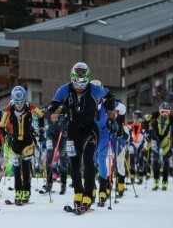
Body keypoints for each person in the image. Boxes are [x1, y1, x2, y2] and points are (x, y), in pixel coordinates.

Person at [45, 62, 116, 213]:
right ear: (72, 79)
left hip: (91, 129)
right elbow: (50, 108)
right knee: (74, 164)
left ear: (88, 80)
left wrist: (110, 119)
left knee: (88, 160)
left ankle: (88, 195)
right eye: (76, 82)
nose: (79, 86)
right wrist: (55, 117)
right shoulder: (64, 89)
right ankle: (78, 192)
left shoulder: (95, 89)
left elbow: (111, 97)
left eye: (83, 83)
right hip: (73, 131)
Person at [0, 86, 45, 204]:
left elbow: (41, 115)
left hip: (28, 141)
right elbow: (1, 125)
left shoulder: (31, 107)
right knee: (16, 167)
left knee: (25, 166)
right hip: (15, 142)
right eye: (16, 102)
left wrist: (41, 130)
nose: (19, 105)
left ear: (24, 99)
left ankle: (26, 191)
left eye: (21, 102)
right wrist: (6, 136)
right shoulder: (8, 110)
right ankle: (18, 191)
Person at [93, 80, 127, 206]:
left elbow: (122, 109)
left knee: (102, 160)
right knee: (90, 162)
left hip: (103, 134)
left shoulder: (108, 103)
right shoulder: (86, 103)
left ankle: (103, 190)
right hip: (91, 135)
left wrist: (119, 124)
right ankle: (92, 189)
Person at [145, 102, 173, 191]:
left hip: (166, 139)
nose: (164, 114)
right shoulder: (154, 115)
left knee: (166, 160)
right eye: (162, 112)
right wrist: (147, 133)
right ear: (159, 111)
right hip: (155, 138)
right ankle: (156, 181)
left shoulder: (172, 119)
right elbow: (146, 121)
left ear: (169, 112)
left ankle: (165, 181)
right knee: (155, 159)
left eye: (167, 112)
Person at [42, 104, 68, 195]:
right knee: (50, 157)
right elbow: (45, 115)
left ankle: (63, 183)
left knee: (63, 157)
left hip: (63, 135)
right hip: (51, 135)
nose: (58, 109)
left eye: (60, 108)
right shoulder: (50, 107)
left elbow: (71, 120)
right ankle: (49, 182)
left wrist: (66, 128)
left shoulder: (66, 108)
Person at [127, 110, 149, 185]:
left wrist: (145, 146)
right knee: (132, 159)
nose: (136, 121)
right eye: (134, 119)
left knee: (140, 159)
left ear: (140, 119)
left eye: (138, 119)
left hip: (141, 144)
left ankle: (140, 176)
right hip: (132, 144)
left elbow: (146, 137)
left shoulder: (143, 126)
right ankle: (132, 176)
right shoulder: (130, 125)